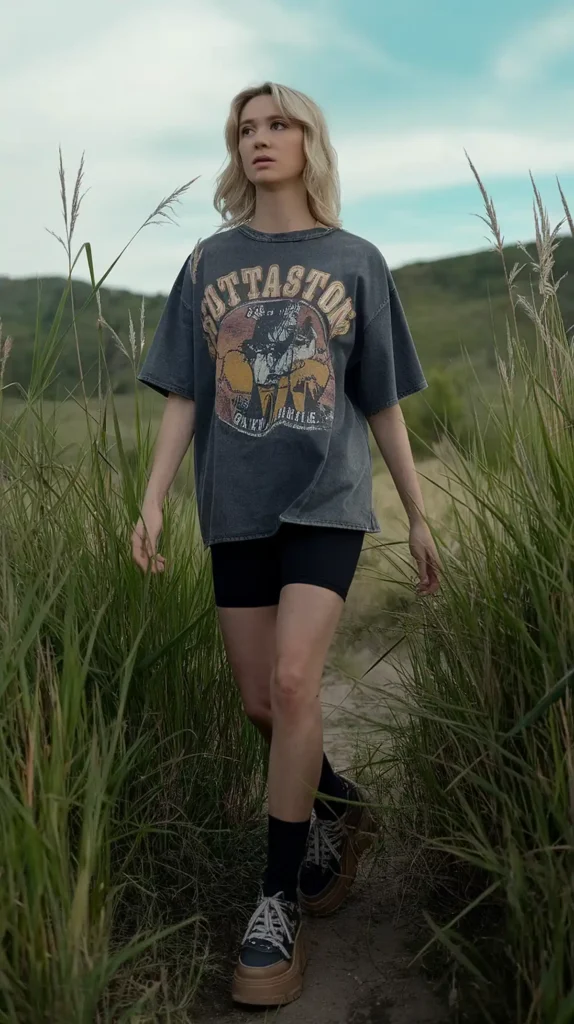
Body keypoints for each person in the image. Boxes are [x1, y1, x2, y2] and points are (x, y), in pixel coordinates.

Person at [131, 81, 440, 1008]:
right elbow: (187, 390)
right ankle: (339, 810)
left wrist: (419, 512)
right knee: (265, 705)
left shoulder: (356, 261)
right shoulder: (207, 261)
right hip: (234, 507)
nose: (260, 139)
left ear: (311, 140)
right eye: (246, 128)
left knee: (298, 683)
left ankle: (275, 905)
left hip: (326, 502)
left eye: (279, 124)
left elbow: (379, 396)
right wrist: (150, 501)